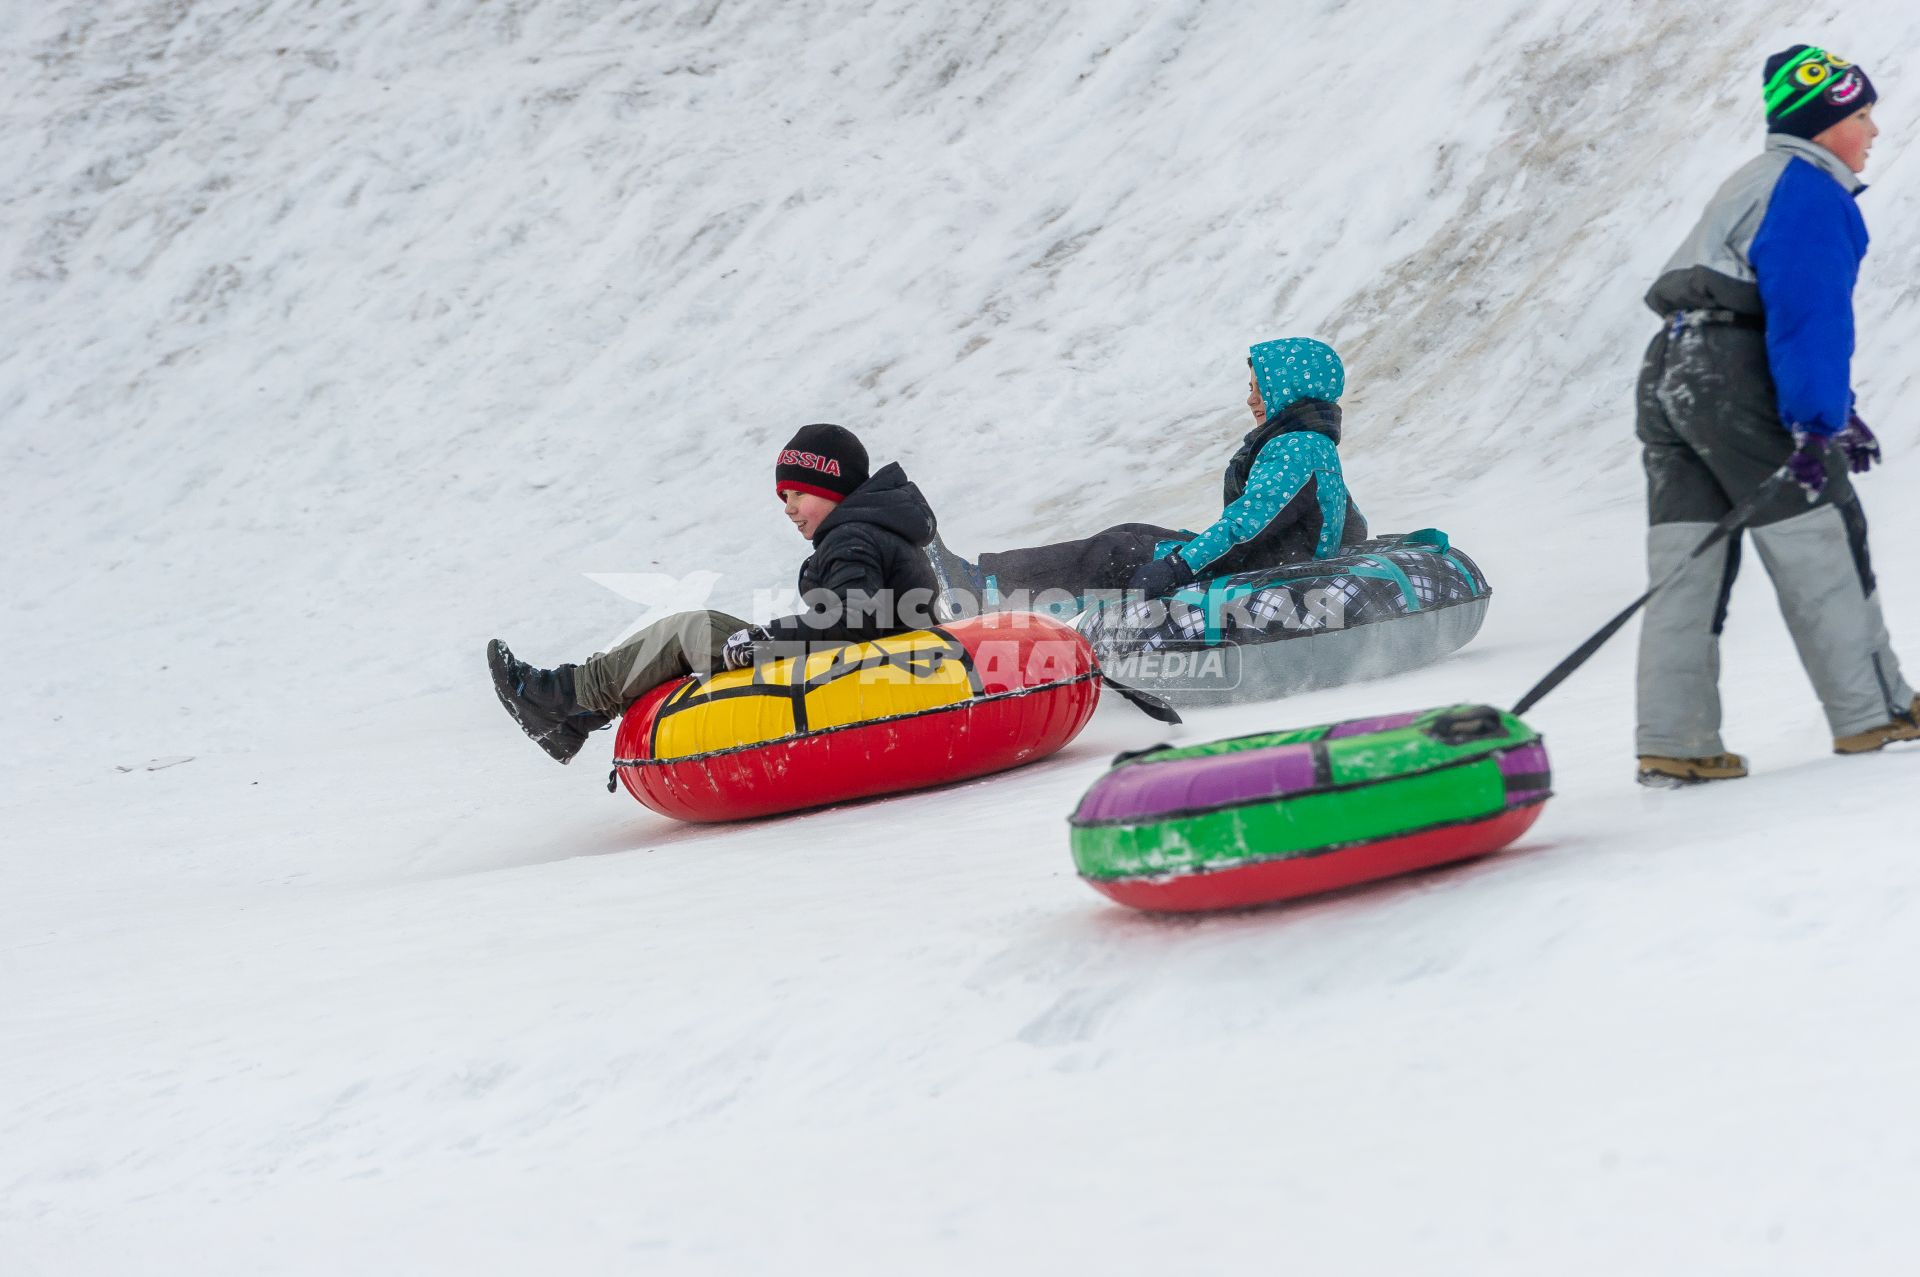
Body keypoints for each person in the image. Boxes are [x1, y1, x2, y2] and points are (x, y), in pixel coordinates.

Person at [1633, 44, 1915, 786]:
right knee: (1822, 526)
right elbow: (1806, 314)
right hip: (1731, 373)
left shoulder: (1753, 181)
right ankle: (1874, 710)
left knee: (1686, 560)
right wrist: (1819, 418)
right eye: (1863, 115)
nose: (1874, 132)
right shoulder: (1811, 189)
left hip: (1670, 370)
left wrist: (1833, 407)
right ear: (1825, 125)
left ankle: (1675, 737)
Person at [489, 423, 940, 763]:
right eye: (783, 497)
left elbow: (851, 621)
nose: (789, 509)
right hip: (873, 664)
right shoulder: (877, 530)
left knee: (692, 631)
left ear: (832, 485)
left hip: (867, 671)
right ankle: (579, 715)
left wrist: (765, 640)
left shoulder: (852, 538)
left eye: (798, 494)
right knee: (700, 633)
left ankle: (559, 697)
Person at [944, 338, 1368, 607]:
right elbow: (1350, 522)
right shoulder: (1313, 443)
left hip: (1263, 571)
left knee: (1116, 550)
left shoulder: (1295, 447)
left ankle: (983, 585)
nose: (1251, 400)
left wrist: (1180, 568)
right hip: (1272, 560)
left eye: (1259, 390)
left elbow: (1245, 526)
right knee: (1133, 530)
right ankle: (1005, 584)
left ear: (1287, 389)